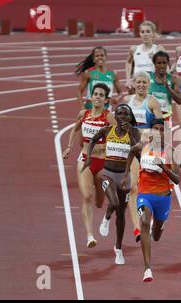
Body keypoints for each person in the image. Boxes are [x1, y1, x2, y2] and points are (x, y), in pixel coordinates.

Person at [81, 104, 140, 264]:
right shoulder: (107, 130)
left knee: (121, 214)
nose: (121, 117)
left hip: (124, 177)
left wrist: (130, 135)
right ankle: (106, 218)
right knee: (113, 202)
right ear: (115, 116)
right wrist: (88, 158)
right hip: (108, 174)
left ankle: (118, 248)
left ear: (129, 117)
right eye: (119, 114)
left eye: (125, 115)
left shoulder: (134, 132)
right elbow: (93, 140)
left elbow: (138, 152)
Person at [122, 119, 180, 282]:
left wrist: (163, 167)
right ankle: (147, 268)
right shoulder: (143, 146)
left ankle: (159, 227)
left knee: (156, 234)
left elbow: (177, 179)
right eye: (156, 129)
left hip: (163, 198)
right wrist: (126, 174)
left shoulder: (171, 151)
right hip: (145, 195)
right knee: (145, 222)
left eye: (162, 129)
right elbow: (132, 151)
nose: (159, 132)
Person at [63, 83, 116, 248]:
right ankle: (90, 236)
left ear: (106, 100)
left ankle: (101, 201)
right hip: (85, 159)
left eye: (101, 95)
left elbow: (118, 136)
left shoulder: (109, 117)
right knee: (86, 196)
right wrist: (70, 147)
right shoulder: (83, 114)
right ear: (91, 97)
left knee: (100, 202)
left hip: (104, 161)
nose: (98, 97)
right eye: (96, 94)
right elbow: (74, 129)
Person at [122, 71, 163, 242]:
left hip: (148, 150)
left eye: (144, 82)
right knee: (133, 189)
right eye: (138, 82)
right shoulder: (127, 102)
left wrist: (148, 134)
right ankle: (137, 228)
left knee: (151, 188)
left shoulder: (152, 102)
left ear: (148, 84)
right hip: (132, 149)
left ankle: (154, 220)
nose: (141, 85)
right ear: (133, 83)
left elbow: (160, 127)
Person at [125, 21, 165, 94]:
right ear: (140, 34)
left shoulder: (158, 49)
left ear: (153, 34)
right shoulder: (134, 49)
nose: (145, 34)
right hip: (137, 84)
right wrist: (128, 80)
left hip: (153, 84)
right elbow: (128, 62)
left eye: (148, 31)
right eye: (142, 32)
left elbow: (166, 67)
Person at [148, 50, 181, 128]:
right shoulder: (148, 78)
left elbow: (179, 101)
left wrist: (168, 88)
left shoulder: (173, 79)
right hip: (150, 116)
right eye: (159, 63)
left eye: (164, 63)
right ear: (154, 64)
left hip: (166, 117)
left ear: (167, 63)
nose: (162, 65)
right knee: (152, 139)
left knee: (166, 140)